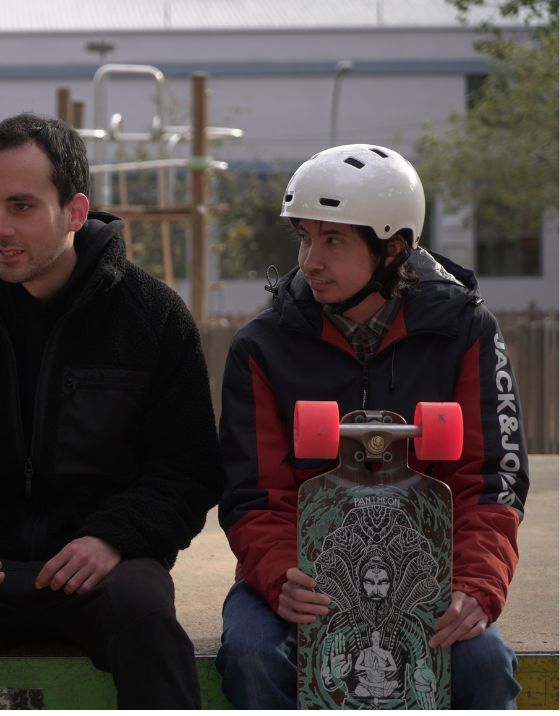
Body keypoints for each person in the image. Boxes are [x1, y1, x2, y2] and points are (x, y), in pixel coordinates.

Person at [0, 113, 223, 709]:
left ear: (75, 212)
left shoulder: (152, 318)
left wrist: (112, 536)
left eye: (21, 206)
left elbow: (187, 468)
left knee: (147, 617)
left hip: (102, 568)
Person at [214, 143, 529, 709]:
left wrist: (476, 586)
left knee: (485, 665)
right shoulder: (262, 347)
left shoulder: (465, 332)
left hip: (424, 574)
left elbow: (490, 479)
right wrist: (283, 574)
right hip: (305, 576)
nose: (310, 260)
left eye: (332, 241)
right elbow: (253, 494)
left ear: (393, 249)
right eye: (304, 238)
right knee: (251, 656)